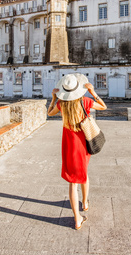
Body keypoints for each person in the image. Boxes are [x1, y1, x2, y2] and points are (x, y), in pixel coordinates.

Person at [47, 73, 107, 230]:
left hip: (68, 145)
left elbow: (49, 113)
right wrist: (93, 92)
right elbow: (103, 106)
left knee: (73, 183)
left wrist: (53, 98)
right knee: (84, 173)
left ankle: (77, 217)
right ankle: (85, 203)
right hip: (82, 144)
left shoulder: (61, 105)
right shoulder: (85, 101)